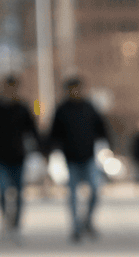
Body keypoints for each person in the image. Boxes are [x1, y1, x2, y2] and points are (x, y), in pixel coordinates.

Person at [48, 77, 110, 241]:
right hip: (71, 159)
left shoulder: (89, 107)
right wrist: (51, 151)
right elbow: (54, 134)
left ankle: (88, 222)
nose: (76, 92)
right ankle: (76, 228)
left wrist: (108, 145)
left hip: (89, 157)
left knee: (96, 190)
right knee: (73, 195)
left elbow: (102, 128)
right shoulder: (62, 110)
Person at [0, 75, 42, 236]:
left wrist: (42, 148)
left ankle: (16, 223)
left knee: (19, 192)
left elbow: (32, 130)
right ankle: (4, 219)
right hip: (1, 158)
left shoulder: (23, 107)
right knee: (1, 192)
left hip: (19, 157)